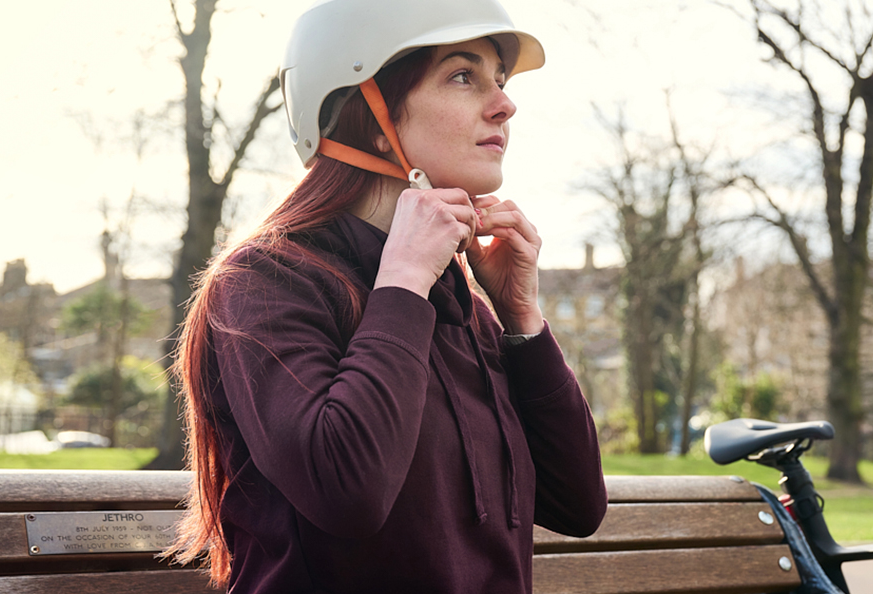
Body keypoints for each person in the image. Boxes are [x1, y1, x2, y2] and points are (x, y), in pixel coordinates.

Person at [164, 0, 608, 592]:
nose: (505, 104)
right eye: (462, 75)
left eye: (498, 81)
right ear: (369, 114)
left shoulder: (464, 304)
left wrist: (522, 320)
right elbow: (348, 492)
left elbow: (577, 505)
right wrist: (400, 284)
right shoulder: (264, 283)